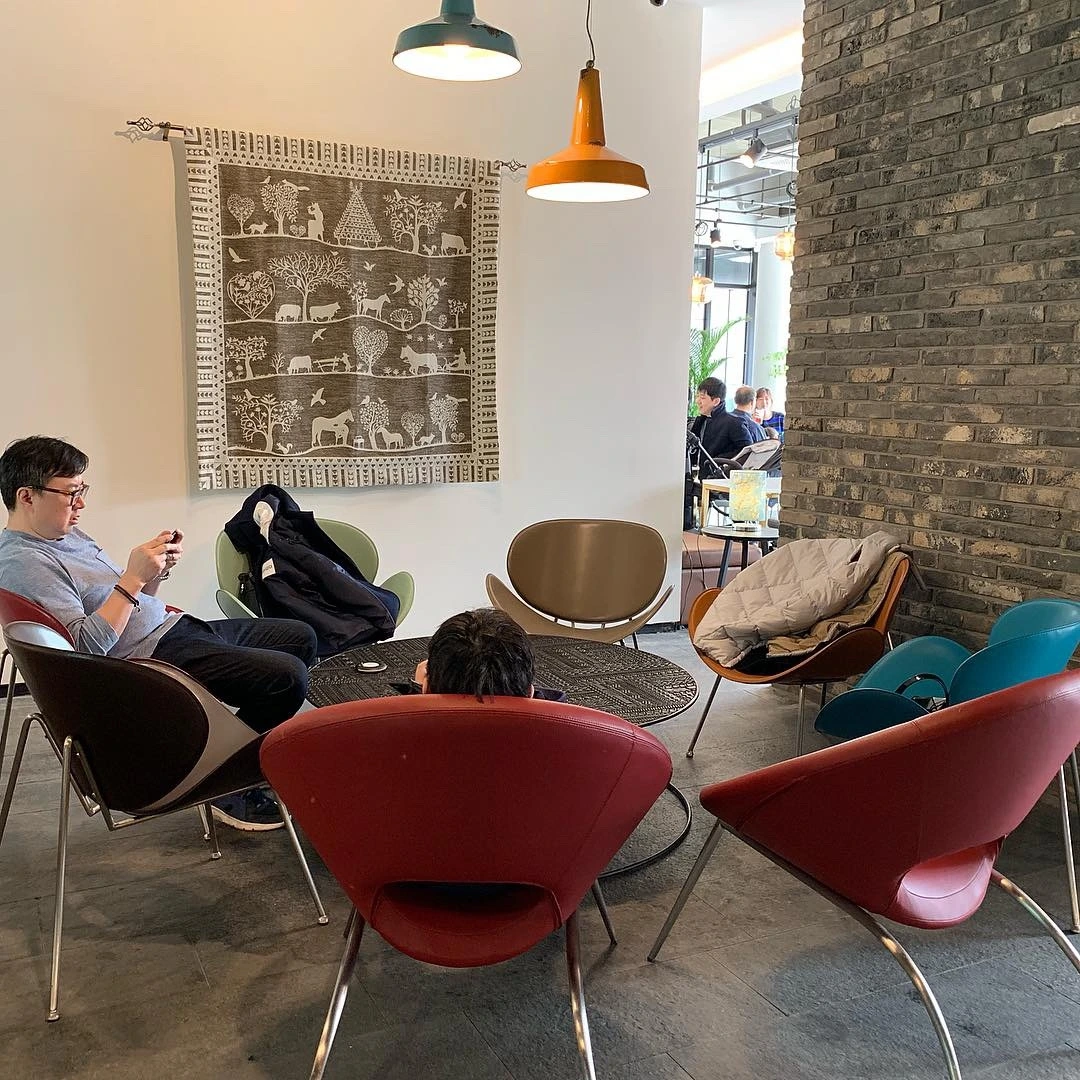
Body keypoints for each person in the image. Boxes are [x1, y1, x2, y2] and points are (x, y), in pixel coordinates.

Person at [0, 436, 318, 831]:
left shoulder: (66, 535)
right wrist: (133, 578)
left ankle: (237, 753)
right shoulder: (26, 563)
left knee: (301, 636)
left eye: (83, 489)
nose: (81, 503)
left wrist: (153, 573)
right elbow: (85, 648)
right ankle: (226, 783)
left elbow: (128, 604)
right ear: (27, 496)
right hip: (150, 659)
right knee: (287, 678)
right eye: (70, 493)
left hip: (169, 627)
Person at [413, 608, 536, 699]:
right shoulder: (547, 722)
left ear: (426, 689)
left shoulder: (404, 723)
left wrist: (416, 692)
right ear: (529, 693)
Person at [684, 377, 757, 530]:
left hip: (723, 482)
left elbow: (747, 451)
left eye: (702, 397)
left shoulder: (734, 423)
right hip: (703, 480)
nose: (698, 401)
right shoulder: (701, 421)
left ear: (716, 401)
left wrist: (722, 461)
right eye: (698, 396)